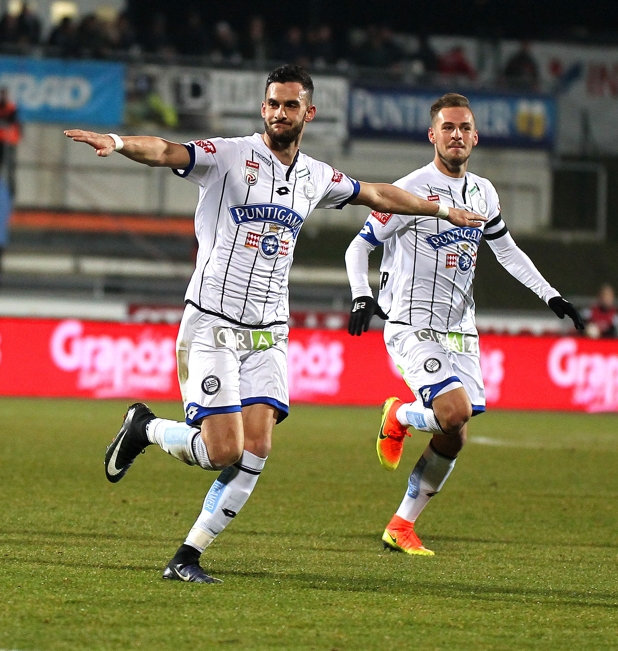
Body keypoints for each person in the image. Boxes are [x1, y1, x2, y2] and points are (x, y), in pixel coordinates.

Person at [65, 65, 485, 583]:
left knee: (257, 448)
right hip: (213, 322)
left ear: (308, 112)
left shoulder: (315, 177)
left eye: (290, 105)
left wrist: (439, 210)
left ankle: (186, 557)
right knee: (221, 450)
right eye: (272, 104)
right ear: (263, 109)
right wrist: (116, 141)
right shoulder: (230, 156)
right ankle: (145, 428)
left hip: (269, 331)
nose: (279, 113)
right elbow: (167, 150)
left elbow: (377, 194)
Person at [344, 93, 584, 557]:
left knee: (455, 432)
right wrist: (361, 293)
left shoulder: (484, 192)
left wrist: (550, 294)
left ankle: (401, 526)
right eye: (447, 127)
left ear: (475, 136)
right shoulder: (410, 189)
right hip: (411, 324)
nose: (457, 135)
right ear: (432, 134)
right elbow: (359, 247)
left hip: (460, 328)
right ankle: (397, 415)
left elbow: (506, 249)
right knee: (452, 411)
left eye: (464, 128)